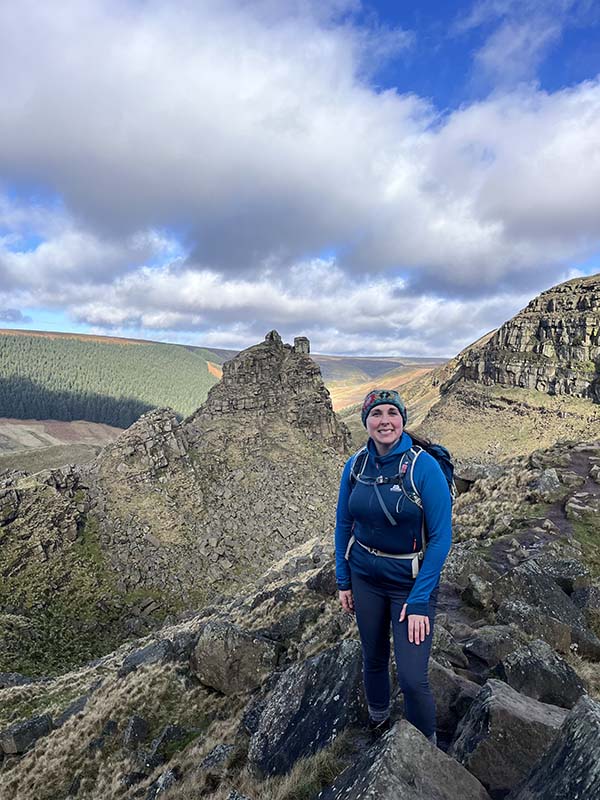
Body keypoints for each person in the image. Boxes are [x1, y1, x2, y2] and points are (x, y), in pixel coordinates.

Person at [334, 388, 452, 743]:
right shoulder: (355, 466)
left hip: (409, 584)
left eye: (392, 413)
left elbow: (442, 538)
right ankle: (378, 721)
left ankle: (423, 747)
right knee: (373, 656)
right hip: (365, 577)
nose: (384, 420)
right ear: (366, 421)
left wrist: (418, 601)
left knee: (413, 678)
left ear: (402, 419)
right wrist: (343, 580)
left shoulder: (423, 467)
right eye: (376, 414)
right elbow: (343, 524)